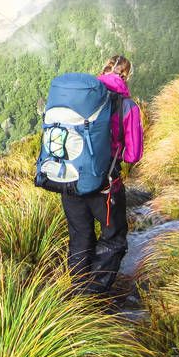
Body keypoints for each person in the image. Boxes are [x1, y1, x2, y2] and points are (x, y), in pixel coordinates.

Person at [61, 54, 144, 295]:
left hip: (70, 180)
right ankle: (93, 295)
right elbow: (133, 155)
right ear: (126, 75)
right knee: (114, 238)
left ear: (103, 70)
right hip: (105, 185)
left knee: (80, 235)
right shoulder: (128, 106)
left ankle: (77, 292)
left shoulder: (81, 98)